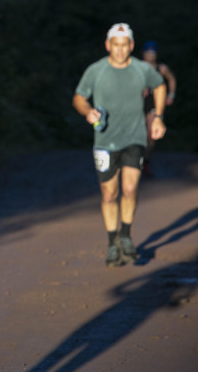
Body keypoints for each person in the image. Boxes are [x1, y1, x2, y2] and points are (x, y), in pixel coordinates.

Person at [72, 23, 166, 267]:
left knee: (130, 189)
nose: (121, 50)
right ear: (108, 45)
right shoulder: (96, 71)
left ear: (131, 46)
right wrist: (88, 112)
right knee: (109, 193)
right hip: (104, 141)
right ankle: (112, 242)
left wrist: (157, 117)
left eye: (125, 45)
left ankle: (125, 236)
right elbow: (79, 98)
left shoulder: (142, 69)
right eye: (116, 45)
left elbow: (160, 85)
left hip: (134, 137)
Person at [141, 40, 177, 177]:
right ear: (143, 53)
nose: (150, 55)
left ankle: (146, 163)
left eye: (152, 53)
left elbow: (172, 79)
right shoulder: (137, 67)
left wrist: (171, 95)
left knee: (151, 136)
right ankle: (134, 162)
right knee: (137, 135)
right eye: (148, 52)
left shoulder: (161, 68)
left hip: (153, 104)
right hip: (137, 104)